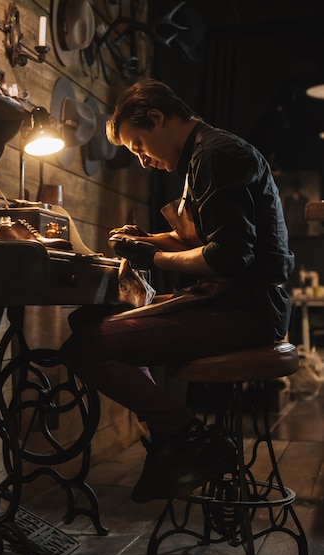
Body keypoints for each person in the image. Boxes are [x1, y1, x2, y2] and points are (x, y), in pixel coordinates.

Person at [60, 78, 295, 504]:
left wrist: (154, 258)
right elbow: (203, 239)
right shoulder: (202, 156)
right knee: (87, 321)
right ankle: (174, 437)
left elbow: (228, 258)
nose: (142, 161)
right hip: (233, 303)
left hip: (249, 311)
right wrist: (145, 242)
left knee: (87, 347)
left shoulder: (218, 155)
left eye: (139, 146)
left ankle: (190, 439)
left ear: (156, 118)